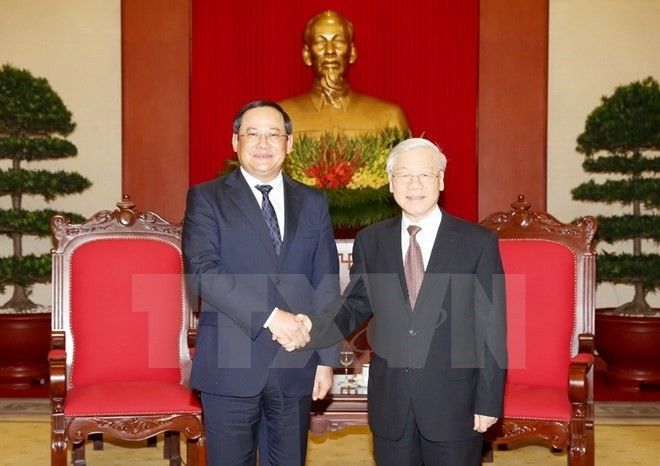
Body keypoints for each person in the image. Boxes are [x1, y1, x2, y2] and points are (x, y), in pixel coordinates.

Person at [280, 138, 508, 465]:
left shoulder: (477, 242)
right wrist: (311, 328)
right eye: (403, 175)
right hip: (392, 403)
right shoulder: (371, 241)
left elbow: (491, 328)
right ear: (390, 183)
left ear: (441, 181)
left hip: (454, 401)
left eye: (425, 175)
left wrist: (488, 401)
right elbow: (355, 304)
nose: (414, 184)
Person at [182, 100, 339, 466]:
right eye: (252, 134)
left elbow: (326, 282)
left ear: (290, 143)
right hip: (230, 363)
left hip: (297, 362)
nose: (263, 142)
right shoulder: (207, 198)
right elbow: (204, 272)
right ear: (235, 142)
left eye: (274, 134)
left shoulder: (313, 202)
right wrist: (272, 317)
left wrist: (326, 359)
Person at [278, 10, 409, 137]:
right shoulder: (279, 117)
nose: (330, 51)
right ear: (307, 55)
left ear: (352, 52)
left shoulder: (388, 117)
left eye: (339, 41)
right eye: (320, 42)